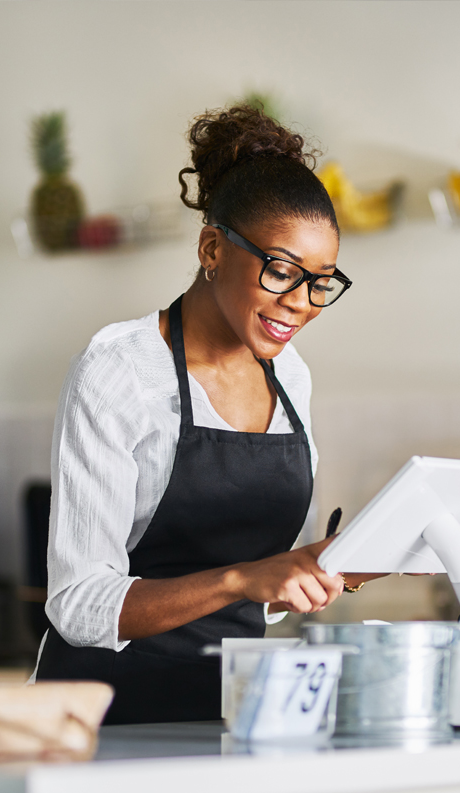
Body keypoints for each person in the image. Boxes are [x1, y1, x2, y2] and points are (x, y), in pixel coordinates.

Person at [33, 106, 374, 724]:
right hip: (102, 719)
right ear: (213, 247)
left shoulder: (291, 378)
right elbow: (78, 604)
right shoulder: (120, 372)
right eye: (281, 270)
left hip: (229, 715)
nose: (301, 304)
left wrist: (311, 570)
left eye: (321, 282)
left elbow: (256, 593)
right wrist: (243, 579)